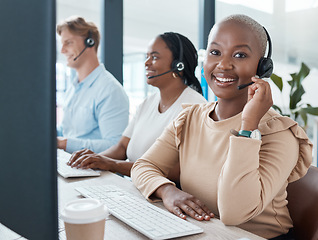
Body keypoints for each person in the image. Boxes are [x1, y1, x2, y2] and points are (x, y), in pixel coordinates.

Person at [131, 14, 313, 240]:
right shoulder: (189, 118)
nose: (223, 65)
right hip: (200, 232)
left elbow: (234, 213)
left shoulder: (279, 132)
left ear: (263, 67)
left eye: (240, 55)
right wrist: (167, 191)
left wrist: (248, 127)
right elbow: (143, 166)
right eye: (215, 52)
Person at [67, 32, 207, 182]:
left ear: (178, 65)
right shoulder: (148, 103)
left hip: (164, 197)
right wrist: (93, 159)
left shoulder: (194, 107)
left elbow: (176, 171)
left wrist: (112, 165)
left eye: (154, 57)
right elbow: (121, 147)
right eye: (147, 56)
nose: (147, 62)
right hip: (134, 190)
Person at [56, 16, 129, 153]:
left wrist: (64, 143)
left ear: (90, 43)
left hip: (94, 172)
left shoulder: (110, 90)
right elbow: (67, 131)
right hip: (69, 165)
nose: (62, 50)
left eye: (68, 43)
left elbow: (115, 146)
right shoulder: (73, 87)